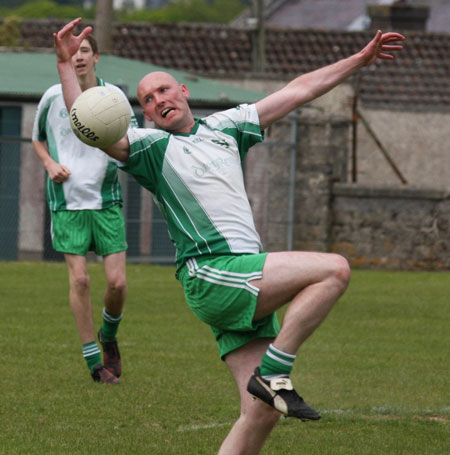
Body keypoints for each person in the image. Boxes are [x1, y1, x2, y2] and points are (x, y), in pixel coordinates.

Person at [53, 18, 404, 453]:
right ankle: (275, 372)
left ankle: (269, 381)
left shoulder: (227, 126)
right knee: (334, 269)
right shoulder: (148, 148)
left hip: (243, 276)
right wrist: (67, 64)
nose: (158, 100)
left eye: (163, 90)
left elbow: (299, 89)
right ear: (143, 114)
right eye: (147, 99)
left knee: (259, 413)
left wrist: (360, 59)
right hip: (213, 273)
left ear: (183, 92)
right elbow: (87, 121)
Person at [32, 32, 137, 385]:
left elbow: (131, 142)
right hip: (67, 201)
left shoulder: (113, 98)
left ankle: (109, 335)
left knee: (118, 284)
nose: (78, 56)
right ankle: (94, 360)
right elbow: (38, 139)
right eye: (73, 52)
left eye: (85, 51)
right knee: (79, 280)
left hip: (106, 200)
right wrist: (48, 164)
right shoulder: (51, 96)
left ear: (96, 57)